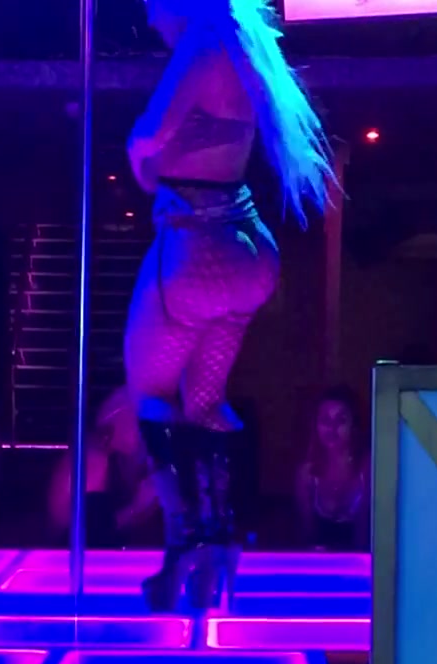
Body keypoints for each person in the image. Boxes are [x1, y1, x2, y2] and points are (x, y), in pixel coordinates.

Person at [125, 0, 334, 611]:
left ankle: (184, 537)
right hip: (245, 244)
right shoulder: (245, 44)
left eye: (152, 7)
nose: (151, 22)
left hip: (196, 243)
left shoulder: (203, 39)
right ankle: (221, 537)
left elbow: (151, 134)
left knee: (149, 390)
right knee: (206, 401)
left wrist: (141, 157)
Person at [47, 387, 161, 547]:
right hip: (77, 549)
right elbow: (89, 532)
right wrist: (136, 508)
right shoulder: (93, 461)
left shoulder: (122, 461)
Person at [294, 386, 369, 552]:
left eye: (340, 420)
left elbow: (365, 536)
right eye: (325, 420)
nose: (331, 428)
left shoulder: (368, 469)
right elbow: (306, 536)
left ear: (354, 425)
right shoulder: (306, 474)